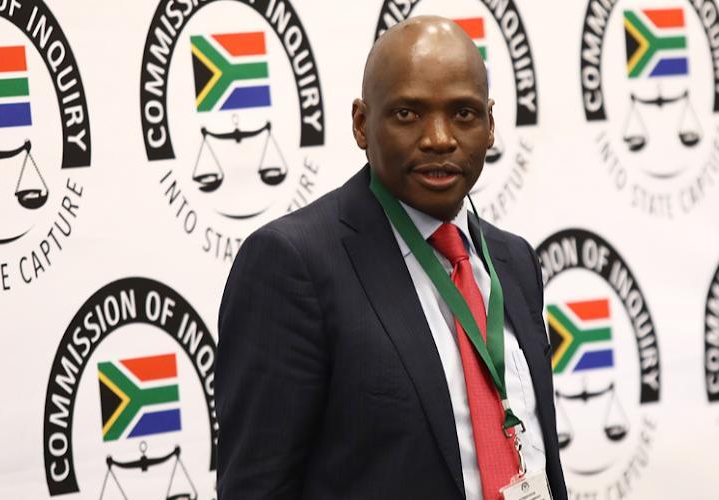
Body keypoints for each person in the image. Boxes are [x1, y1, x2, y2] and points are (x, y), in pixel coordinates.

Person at [216, 15, 567, 500]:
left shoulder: (516, 262)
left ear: (490, 125)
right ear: (362, 124)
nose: (439, 138)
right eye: (408, 114)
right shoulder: (293, 265)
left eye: (463, 114)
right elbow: (256, 487)